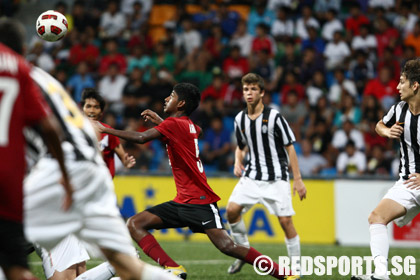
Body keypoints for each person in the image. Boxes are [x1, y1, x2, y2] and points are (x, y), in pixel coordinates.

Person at [93, 83, 300, 280]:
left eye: (172, 96)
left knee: (227, 246)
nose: (166, 98)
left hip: (200, 201)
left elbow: (140, 138)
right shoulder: (187, 125)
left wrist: (104, 129)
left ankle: (284, 273)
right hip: (183, 201)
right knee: (135, 223)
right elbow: (196, 131)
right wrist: (161, 122)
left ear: (181, 104)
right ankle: (173, 268)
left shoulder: (174, 124)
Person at [0, 18, 72, 280]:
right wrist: (63, 170)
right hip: (12, 175)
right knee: (16, 266)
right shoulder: (20, 68)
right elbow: (49, 127)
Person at [225, 73, 307, 277]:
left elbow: (290, 148)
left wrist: (297, 180)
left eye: (253, 89)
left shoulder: (275, 117)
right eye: (246, 89)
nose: (249, 93)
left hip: (276, 178)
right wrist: (238, 160)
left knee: (286, 222)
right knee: (231, 211)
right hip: (252, 176)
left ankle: (296, 269)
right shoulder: (240, 118)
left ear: (262, 92)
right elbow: (241, 146)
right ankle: (244, 252)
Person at [351, 59, 420, 280]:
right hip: (408, 182)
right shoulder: (399, 109)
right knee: (376, 217)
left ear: (415, 85)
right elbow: (379, 124)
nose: (397, 87)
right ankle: (381, 275)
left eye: (402, 82)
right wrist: (386, 132)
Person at [81, 88, 135, 177]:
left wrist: (126, 162)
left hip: (104, 184)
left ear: (101, 112)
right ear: (82, 109)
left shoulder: (108, 131)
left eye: (96, 107)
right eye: (88, 106)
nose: (92, 110)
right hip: (83, 182)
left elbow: (123, 157)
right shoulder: (75, 131)